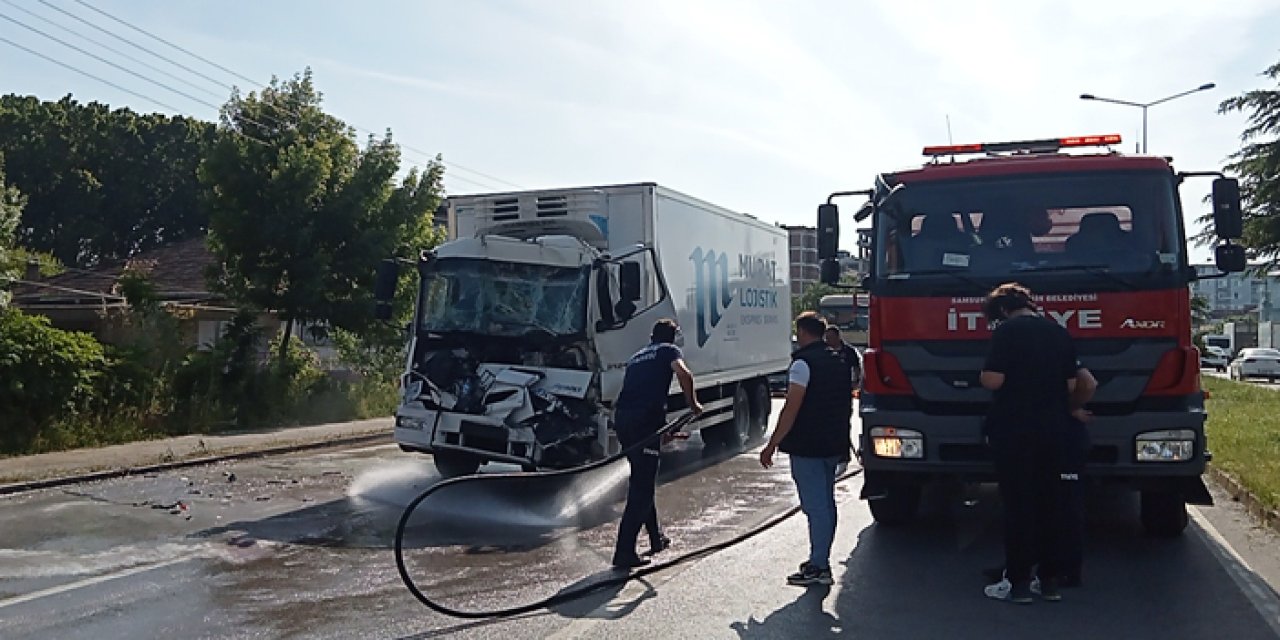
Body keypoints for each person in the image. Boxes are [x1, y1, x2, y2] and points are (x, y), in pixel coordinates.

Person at [978, 282, 1082, 604]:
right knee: (1052, 504)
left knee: (1019, 505)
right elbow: (1071, 383)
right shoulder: (1058, 333)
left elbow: (994, 379)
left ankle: (1018, 581)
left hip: (1014, 430)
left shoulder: (1007, 333)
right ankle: (1048, 580)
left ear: (1003, 311)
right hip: (1055, 429)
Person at [760, 312, 854, 586]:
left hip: (808, 446)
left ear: (802, 332)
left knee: (816, 506)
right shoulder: (838, 359)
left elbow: (791, 408)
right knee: (826, 502)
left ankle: (819, 565)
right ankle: (820, 557)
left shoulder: (802, 364)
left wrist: (771, 444)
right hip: (833, 442)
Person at [611, 319, 703, 570]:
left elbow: (639, 392)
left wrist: (662, 433)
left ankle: (655, 538)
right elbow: (684, 373)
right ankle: (624, 552)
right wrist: (693, 404)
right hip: (643, 421)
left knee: (643, 477)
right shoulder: (668, 350)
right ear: (672, 337)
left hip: (624, 420)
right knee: (641, 487)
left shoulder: (638, 355)